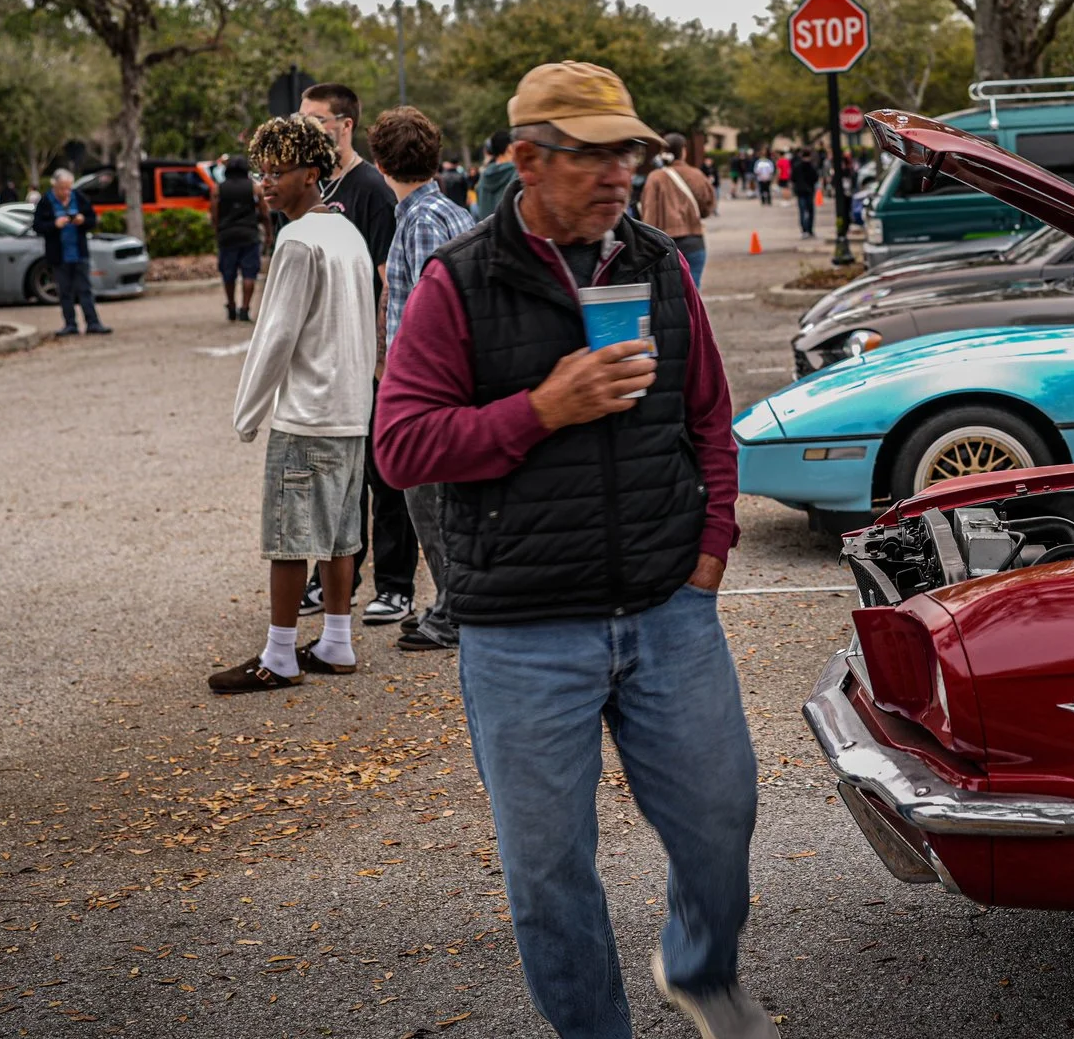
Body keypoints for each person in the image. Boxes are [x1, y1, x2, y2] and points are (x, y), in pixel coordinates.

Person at [374, 61, 765, 1039]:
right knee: (548, 872)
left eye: (625, 152)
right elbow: (400, 446)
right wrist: (542, 410)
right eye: (591, 155)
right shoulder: (457, 283)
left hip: (668, 607)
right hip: (522, 628)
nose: (617, 174)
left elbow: (711, 418)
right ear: (526, 161)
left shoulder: (659, 265)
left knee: (720, 823)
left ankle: (698, 964)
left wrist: (709, 549)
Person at [214, 114, 378, 695]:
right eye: (263, 171)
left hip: (307, 413)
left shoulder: (298, 239)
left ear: (312, 173)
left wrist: (248, 411)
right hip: (350, 408)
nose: (266, 182)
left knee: (290, 538)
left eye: (278, 172)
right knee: (339, 535)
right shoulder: (346, 233)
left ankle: (279, 656)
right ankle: (337, 642)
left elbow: (275, 335)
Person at [298, 82, 415, 626]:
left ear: (345, 126)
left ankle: (396, 586)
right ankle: (333, 580)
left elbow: (387, 280)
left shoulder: (369, 188)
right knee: (335, 477)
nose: (307, 131)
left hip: (369, 360)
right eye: (301, 120)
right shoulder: (310, 185)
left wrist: (384, 362)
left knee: (383, 476)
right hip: (327, 358)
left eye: (317, 122)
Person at [367, 106, 479, 655]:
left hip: (430, 387)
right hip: (454, 382)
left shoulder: (421, 220)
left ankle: (456, 608)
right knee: (438, 501)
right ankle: (451, 602)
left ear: (381, 162)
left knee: (427, 502)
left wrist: (403, 384)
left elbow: (422, 315)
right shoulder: (452, 211)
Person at [32, 170, 110, 336]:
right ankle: (70, 324)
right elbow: (37, 226)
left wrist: (82, 221)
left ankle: (93, 323)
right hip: (59, 255)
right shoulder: (46, 201)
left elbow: (92, 220)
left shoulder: (79, 197)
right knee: (65, 292)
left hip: (79, 253)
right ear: (55, 186)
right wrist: (54, 224)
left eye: (68, 188)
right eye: (62, 188)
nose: (66, 192)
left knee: (85, 290)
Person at [642, 132, 719, 288]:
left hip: (665, 246)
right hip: (694, 242)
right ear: (684, 151)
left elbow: (648, 214)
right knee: (692, 294)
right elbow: (708, 206)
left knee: (668, 297)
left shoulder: (655, 178)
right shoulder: (696, 174)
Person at [214, 153, 262, 322]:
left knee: (229, 274)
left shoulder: (218, 188)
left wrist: (217, 231)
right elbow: (263, 210)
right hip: (249, 234)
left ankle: (231, 305)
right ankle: (245, 308)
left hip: (227, 235)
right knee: (249, 274)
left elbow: (214, 213)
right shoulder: (254, 187)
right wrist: (268, 231)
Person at [474, 131, 519, 221]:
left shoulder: (484, 175)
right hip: (509, 230)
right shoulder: (516, 172)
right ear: (509, 148)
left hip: (488, 230)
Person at [789, 147, 821, 237]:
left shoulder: (796, 166)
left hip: (800, 191)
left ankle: (804, 230)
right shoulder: (812, 166)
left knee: (802, 211)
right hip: (809, 191)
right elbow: (815, 178)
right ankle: (810, 229)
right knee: (810, 211)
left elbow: (793, 179)